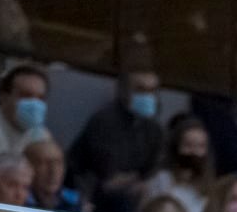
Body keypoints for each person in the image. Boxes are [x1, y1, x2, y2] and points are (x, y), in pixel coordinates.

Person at [67, 68, 164, 200]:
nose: (147, 96)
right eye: (140, 90)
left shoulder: (154, 129)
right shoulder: (104, 121)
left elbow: (152, 172)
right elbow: (110, 181)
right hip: (90, 196)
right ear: (123, 90)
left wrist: (138, 180)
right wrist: (137, 178)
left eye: (152, 90)